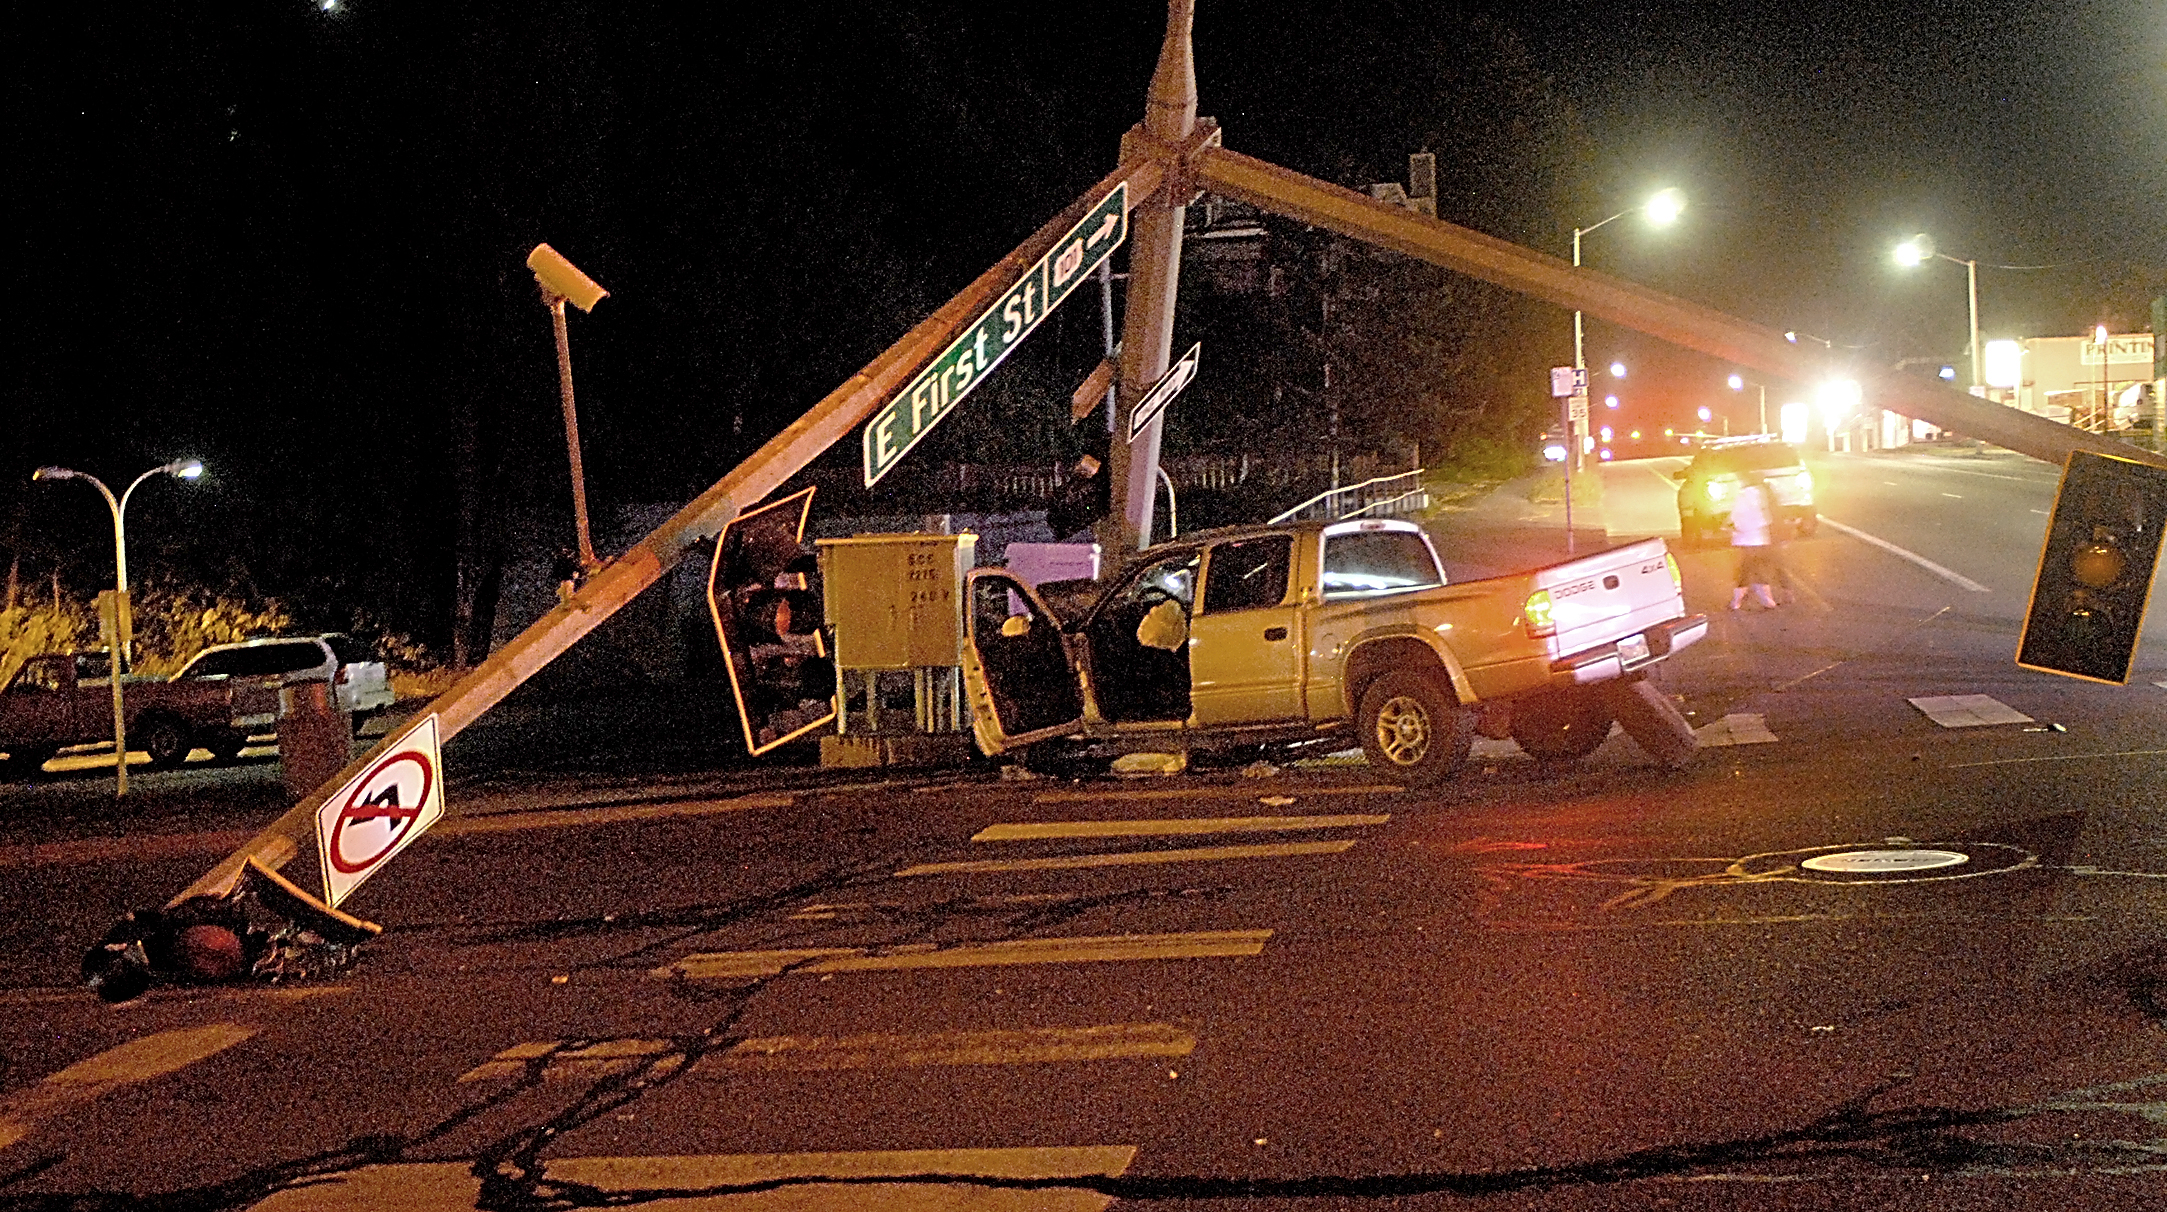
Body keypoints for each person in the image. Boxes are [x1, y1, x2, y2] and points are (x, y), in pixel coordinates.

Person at [1727, 474, 1781, 610]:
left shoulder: (1743, 496)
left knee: (1745, 570)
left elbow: (1737, 516)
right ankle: (1767, 600)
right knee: (1757, 569)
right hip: (1761, 538)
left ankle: (1737, 601)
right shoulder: (1763, 494)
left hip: (1746, 539)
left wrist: (1731, 526)